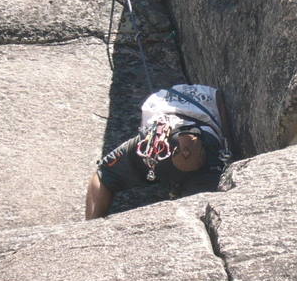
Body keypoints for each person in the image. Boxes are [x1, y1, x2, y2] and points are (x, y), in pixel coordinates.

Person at [85, 84, 233, 219]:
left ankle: (91, 227)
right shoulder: (211, 94)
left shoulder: (157, 98)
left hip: (158, 143)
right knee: (200, 209)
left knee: (105, 173)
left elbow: (104, 174)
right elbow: (222, 113)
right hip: (203, 148)